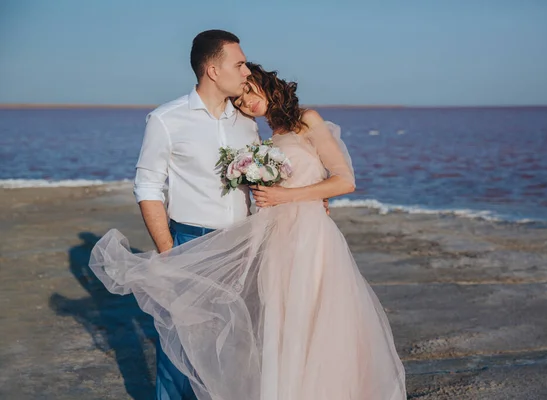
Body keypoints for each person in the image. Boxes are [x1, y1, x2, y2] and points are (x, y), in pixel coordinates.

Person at [90, 63, 406, 399]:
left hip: (311, 239)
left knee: (317, 320)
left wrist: (295, 196)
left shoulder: (307, 120)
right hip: (274, 240)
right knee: (277, 326)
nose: (247, 103)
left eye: (250, 92)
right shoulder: (263, 137)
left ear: (267, 84)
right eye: (240, 101)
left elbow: (345, 180)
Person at [132, 29, 258, 400]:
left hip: (241, 245)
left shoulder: (247, 124)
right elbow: (148, 187)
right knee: (180, 343)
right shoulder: (166, 120)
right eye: (239, 63)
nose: (247, 71)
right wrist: (169, 250)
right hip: (190, 241)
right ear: (213, 70)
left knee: (233, 342)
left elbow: (258, 186)